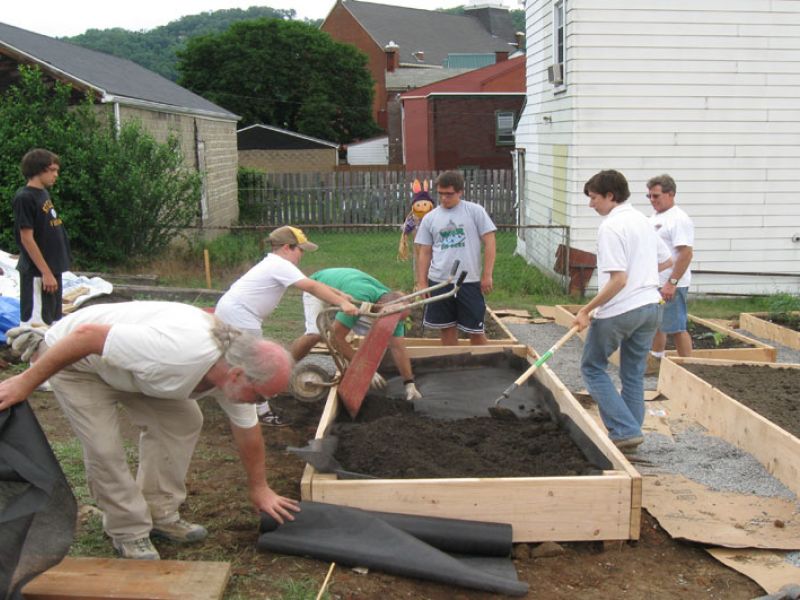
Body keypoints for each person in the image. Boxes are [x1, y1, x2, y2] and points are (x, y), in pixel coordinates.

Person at [0, 301, 299, 560]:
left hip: (133, 369)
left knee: (182, 421)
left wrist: (259, 487)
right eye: (260, 397)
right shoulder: (179, 351)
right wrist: (26, 382)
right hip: (79, 362)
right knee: (104, 446)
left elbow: (248, 431)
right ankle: (128, 529)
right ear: (237, 374)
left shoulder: (236, 373)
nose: (261, 403)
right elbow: (87, 336)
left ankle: (160, 513)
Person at [215, 226, 358, 426]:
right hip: (240, 315)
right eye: (300, 250)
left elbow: (309, 282)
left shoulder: (276, 264)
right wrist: (342, 304)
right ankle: (260, 411)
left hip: (235, 312)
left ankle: (227, 394)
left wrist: (340, 295)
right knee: (255, 364)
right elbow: (311, 286)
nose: (301, 255)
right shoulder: (279, 265)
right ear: (287, 247)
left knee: (234, 359)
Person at [572, 170, 672, 453]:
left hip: (620, 310)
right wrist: (645, 276)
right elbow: (664, 261)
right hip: (650, 307)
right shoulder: (642, 220)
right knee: (632, 373)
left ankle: (625, 429)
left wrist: (586, 309)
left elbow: (619, 280)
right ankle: (630, 435)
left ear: (610, 196)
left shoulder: (611, 227)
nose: (591, 204)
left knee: (592, 367)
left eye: (593, 198)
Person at [290, 268, 422, 402]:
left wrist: (409, 383)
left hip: (350, 291)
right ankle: (289, 366)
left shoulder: (394, 310)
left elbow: (398, 348)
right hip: (319, 286)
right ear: (380, 305)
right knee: (316, 334)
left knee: (377, 333)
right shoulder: (361, 296)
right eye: (393, 319)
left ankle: (355, 368)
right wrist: (363, 369)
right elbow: (334, 338)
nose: (394, 323)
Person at [415, 170, 496, 345]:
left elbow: (490, 243)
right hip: (439, 280)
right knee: (447, 328)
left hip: (469, 281)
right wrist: (421, 282)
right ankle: (453, 365)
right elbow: (425, 252)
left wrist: (487, 275)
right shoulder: (430, 218)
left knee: (475, 331)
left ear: (460, 192)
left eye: (449, 194)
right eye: (441, 194)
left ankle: (485, 365)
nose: (444, 198)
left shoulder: (475, 212)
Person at [12, 149, 71, 326]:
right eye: (52, 170)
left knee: (52, 324)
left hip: (52, 271)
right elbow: (27, 238)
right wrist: (45, 273)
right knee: (35, 328)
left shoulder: (43, 194)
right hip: (37, 274)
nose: (56, 174)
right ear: (39, 170)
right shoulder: (25, 197)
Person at [647, 174, 694, 358]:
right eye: (649, 196)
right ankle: (657, 360)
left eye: (656, 196)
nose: (652, 200)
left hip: (672, 282)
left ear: (671, 194)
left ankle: (688, 368)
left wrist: (672, 282)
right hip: (656, 281)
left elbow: (686, 253)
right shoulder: (657, 216)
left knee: (676, 327)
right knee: (658, 324)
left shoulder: (678, 219)